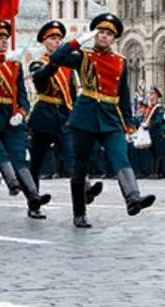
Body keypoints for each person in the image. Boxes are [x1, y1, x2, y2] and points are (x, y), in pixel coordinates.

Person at [51, 13, 156, 227]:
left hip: (110, 117)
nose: (104, 36)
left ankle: (133, 198)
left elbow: (123, 95)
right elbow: (57, 58)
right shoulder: (83, 56)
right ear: (95, 34)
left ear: (114, 38)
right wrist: (78, 40)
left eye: (109, 34)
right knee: (80, 166)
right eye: (101, 32)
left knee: (120, 157)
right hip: (86, 116)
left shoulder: (120, 62)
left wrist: (128, 123)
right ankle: (79, 213)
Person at [0, 19, 50, 221]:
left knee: (19, 158)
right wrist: (0, 56)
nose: (5, 40)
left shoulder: (14, 64)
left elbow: (22, 93)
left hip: (11, 117)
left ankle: (34, 198)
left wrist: (21, 112)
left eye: (6, 37)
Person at [28, 20, 102, 216]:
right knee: (36, 163)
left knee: (74, 160)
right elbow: (41, 77)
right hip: (44, 116)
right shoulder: (39, 62)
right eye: (52, 38)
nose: (56, 41)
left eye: (59, 38)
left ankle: (84, 194)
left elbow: (72, 94)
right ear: (44, 42)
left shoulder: (68, 68)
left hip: (64, 117)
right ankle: (33, 204)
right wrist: (55, 62)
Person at [140, 87, 164, 178]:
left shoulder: (159, 108)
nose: (151, 96)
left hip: (157, 134)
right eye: (150, 94)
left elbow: (158, 120)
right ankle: (152, 172)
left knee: (158, 154)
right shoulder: (150, 109)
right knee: (152, 154)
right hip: (150, 134)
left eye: (153, 94)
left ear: (157, 96)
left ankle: (157, 173)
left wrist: (149, 125)